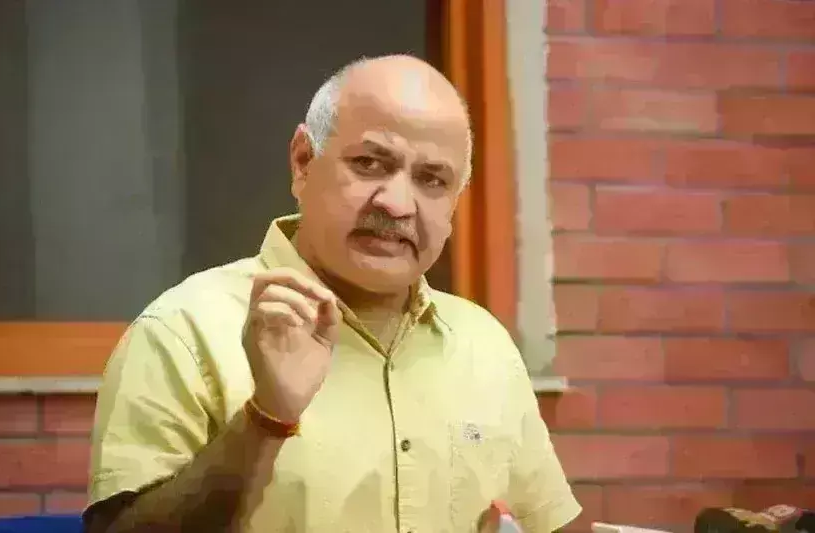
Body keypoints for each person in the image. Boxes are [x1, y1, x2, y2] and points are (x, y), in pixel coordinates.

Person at [83, 54, 580, 533]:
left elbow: (545, 523)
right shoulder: (182, 332)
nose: (397, 204)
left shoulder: (484, 344)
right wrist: (265, 419)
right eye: (369, 164)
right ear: (303, 162)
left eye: (432, 179)